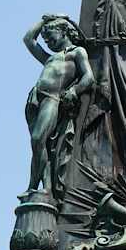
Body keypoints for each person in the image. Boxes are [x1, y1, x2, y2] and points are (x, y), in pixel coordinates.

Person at [23, 14, 94, 198]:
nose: (47, 42)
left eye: (50, 36)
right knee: (40, 146)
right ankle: (43, 187)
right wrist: (46, 20)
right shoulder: (49, 58)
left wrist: (75, 90)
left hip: (52, 99)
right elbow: (28, 39)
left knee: (38, 139)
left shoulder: (76, 52)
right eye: (45, 39)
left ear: (63, 31)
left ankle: (35, 186)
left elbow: (89, 77)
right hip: (35, 100)